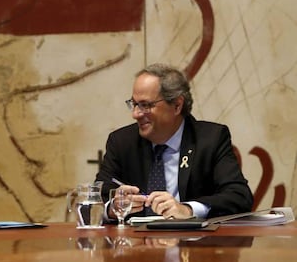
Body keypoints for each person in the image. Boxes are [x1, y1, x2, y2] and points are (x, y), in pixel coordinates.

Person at [96, 63, 253, 220]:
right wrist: (113, 207)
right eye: (134, 104)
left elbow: (239, 197)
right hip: (135, 242)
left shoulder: (211, 139)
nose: (136, 114)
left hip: (194, 242)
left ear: (177, 105)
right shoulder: (122, 142)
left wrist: (188, 209)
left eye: (145, 105)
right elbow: (96, 198)